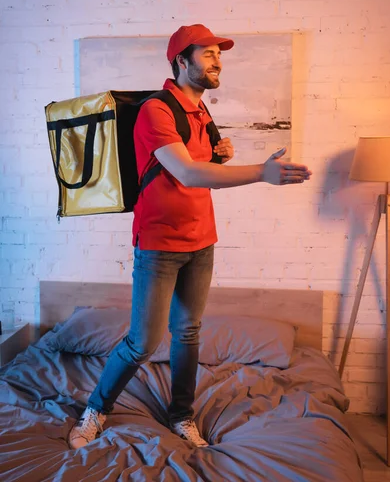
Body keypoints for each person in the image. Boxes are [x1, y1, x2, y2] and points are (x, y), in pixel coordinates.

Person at [68, 24, 312, 450]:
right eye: (208, 53)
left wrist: (222, 153)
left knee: (188, 332)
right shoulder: (156, 111)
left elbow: (204, 173)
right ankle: (96, 409)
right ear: (181, 61)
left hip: (202, 241)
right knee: (142, 342)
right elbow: (186, 172)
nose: (218, 60)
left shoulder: (201, 111)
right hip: (159, 245)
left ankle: (181, 415)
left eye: (220, 54)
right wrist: (260, 173)